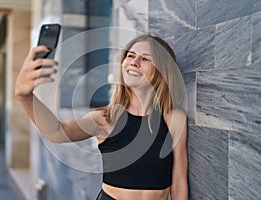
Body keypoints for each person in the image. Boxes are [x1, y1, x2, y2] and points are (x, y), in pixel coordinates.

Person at [15, 34, 188, 200]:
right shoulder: (106, 118)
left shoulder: (174, 119)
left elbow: (178, 184)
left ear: (162, 71)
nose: (134, 63)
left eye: (145, 58)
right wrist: (25, 97)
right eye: (130, 56)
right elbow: (58, 132)